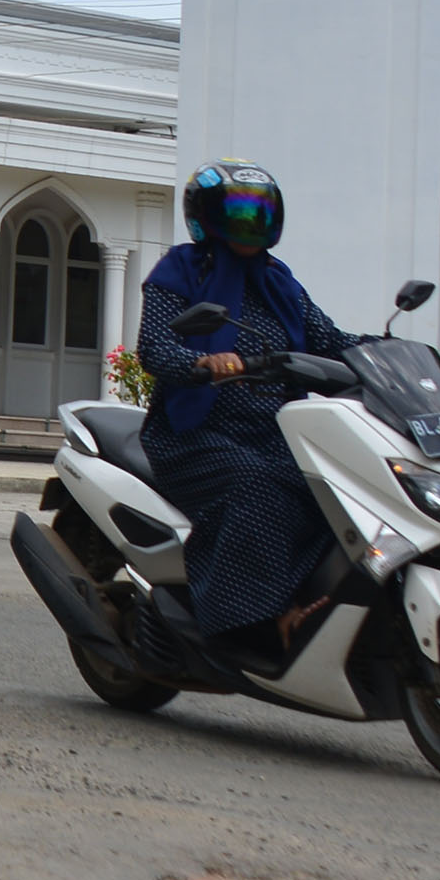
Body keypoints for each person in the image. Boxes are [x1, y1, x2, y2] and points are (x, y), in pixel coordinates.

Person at [135, 163, 356, 663]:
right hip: (194, 433)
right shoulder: (184, 271)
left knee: (334, 492)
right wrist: (203, 362)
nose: (252, 223)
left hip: (274, 432)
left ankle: (309, 606)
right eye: (239, 212)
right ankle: (245, 626)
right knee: (256, 488)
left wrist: (380, 353)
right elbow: (154, 347)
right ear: (207, 217)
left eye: (261, 212)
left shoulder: (280, 283)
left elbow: (329, 340)